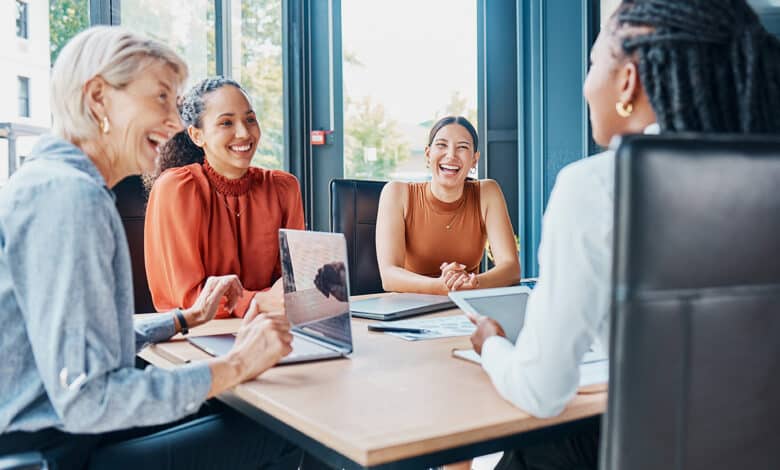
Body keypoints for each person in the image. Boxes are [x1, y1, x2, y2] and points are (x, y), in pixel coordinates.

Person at [468, 1, 780, 468]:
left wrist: (490, 342)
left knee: (535, 448)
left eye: (594, 63)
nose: (586, 84)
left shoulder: (596, 187)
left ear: (628, 81)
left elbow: (542, 392)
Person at [0, 27, 300, 469]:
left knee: (231, 409)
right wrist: (236, 365)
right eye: (160, 98)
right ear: (98, 97)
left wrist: (183, 319)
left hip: (59, 430)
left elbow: (77, 341)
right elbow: (90, 397)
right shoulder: (71, 197)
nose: (175, 122)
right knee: (280, 429)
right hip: (56, 449)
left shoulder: (53, 180)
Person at [144, 77, 305, 319]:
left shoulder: (283, 187)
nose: (243, 132)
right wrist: (259, 301)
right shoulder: (177, 188)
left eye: (250, 119)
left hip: (269, 326)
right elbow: (189, 299)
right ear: (197, 136)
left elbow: (294, 280)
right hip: (195, 335)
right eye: (226, 123)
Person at [376, 116, 521, 295]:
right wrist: (443, 286)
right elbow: (389, 276)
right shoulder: (396, 193)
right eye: (442, 145)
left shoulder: (487, 193)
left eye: (462, 147)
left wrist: (472, 283)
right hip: (407, 310)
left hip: (465, 310)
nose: (451, 155)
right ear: (428, 154)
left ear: (475, 159)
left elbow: (511, 268)